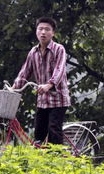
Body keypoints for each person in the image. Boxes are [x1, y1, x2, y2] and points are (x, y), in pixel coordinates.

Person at [12, 17, 71, 145]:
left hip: (58, 99)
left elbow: (60, 70)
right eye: (40, 29)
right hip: (42, 100)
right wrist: (14, 87)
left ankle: (57, 161)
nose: (43, 32)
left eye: (47, 29)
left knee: (53, 130)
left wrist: (49, 84)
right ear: (36, 31)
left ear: (53, 33)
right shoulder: (33, 52)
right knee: (39, 134)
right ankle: (40, 162)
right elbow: (24, 72)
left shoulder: (59, 49)